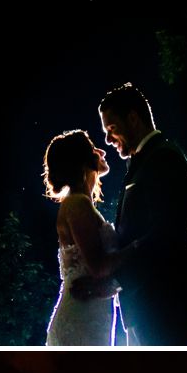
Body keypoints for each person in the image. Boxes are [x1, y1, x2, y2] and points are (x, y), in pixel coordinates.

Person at [79, 83, 187, 346]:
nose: (108, 139)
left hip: (165, 303)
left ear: (133, 118)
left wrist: (113, 277)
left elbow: (164, 236)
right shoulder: (144, 162)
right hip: (145, 304)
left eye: (112, 129)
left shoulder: (164, 159)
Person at [42, 128, 119, 347]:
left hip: (91, 316)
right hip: (81, 321)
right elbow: (99, 266)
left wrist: (114, 284)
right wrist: (137, 248)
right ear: (83, 161)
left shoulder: (82, 203)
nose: (101, 152)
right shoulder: (77, 204)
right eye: (93, 148)